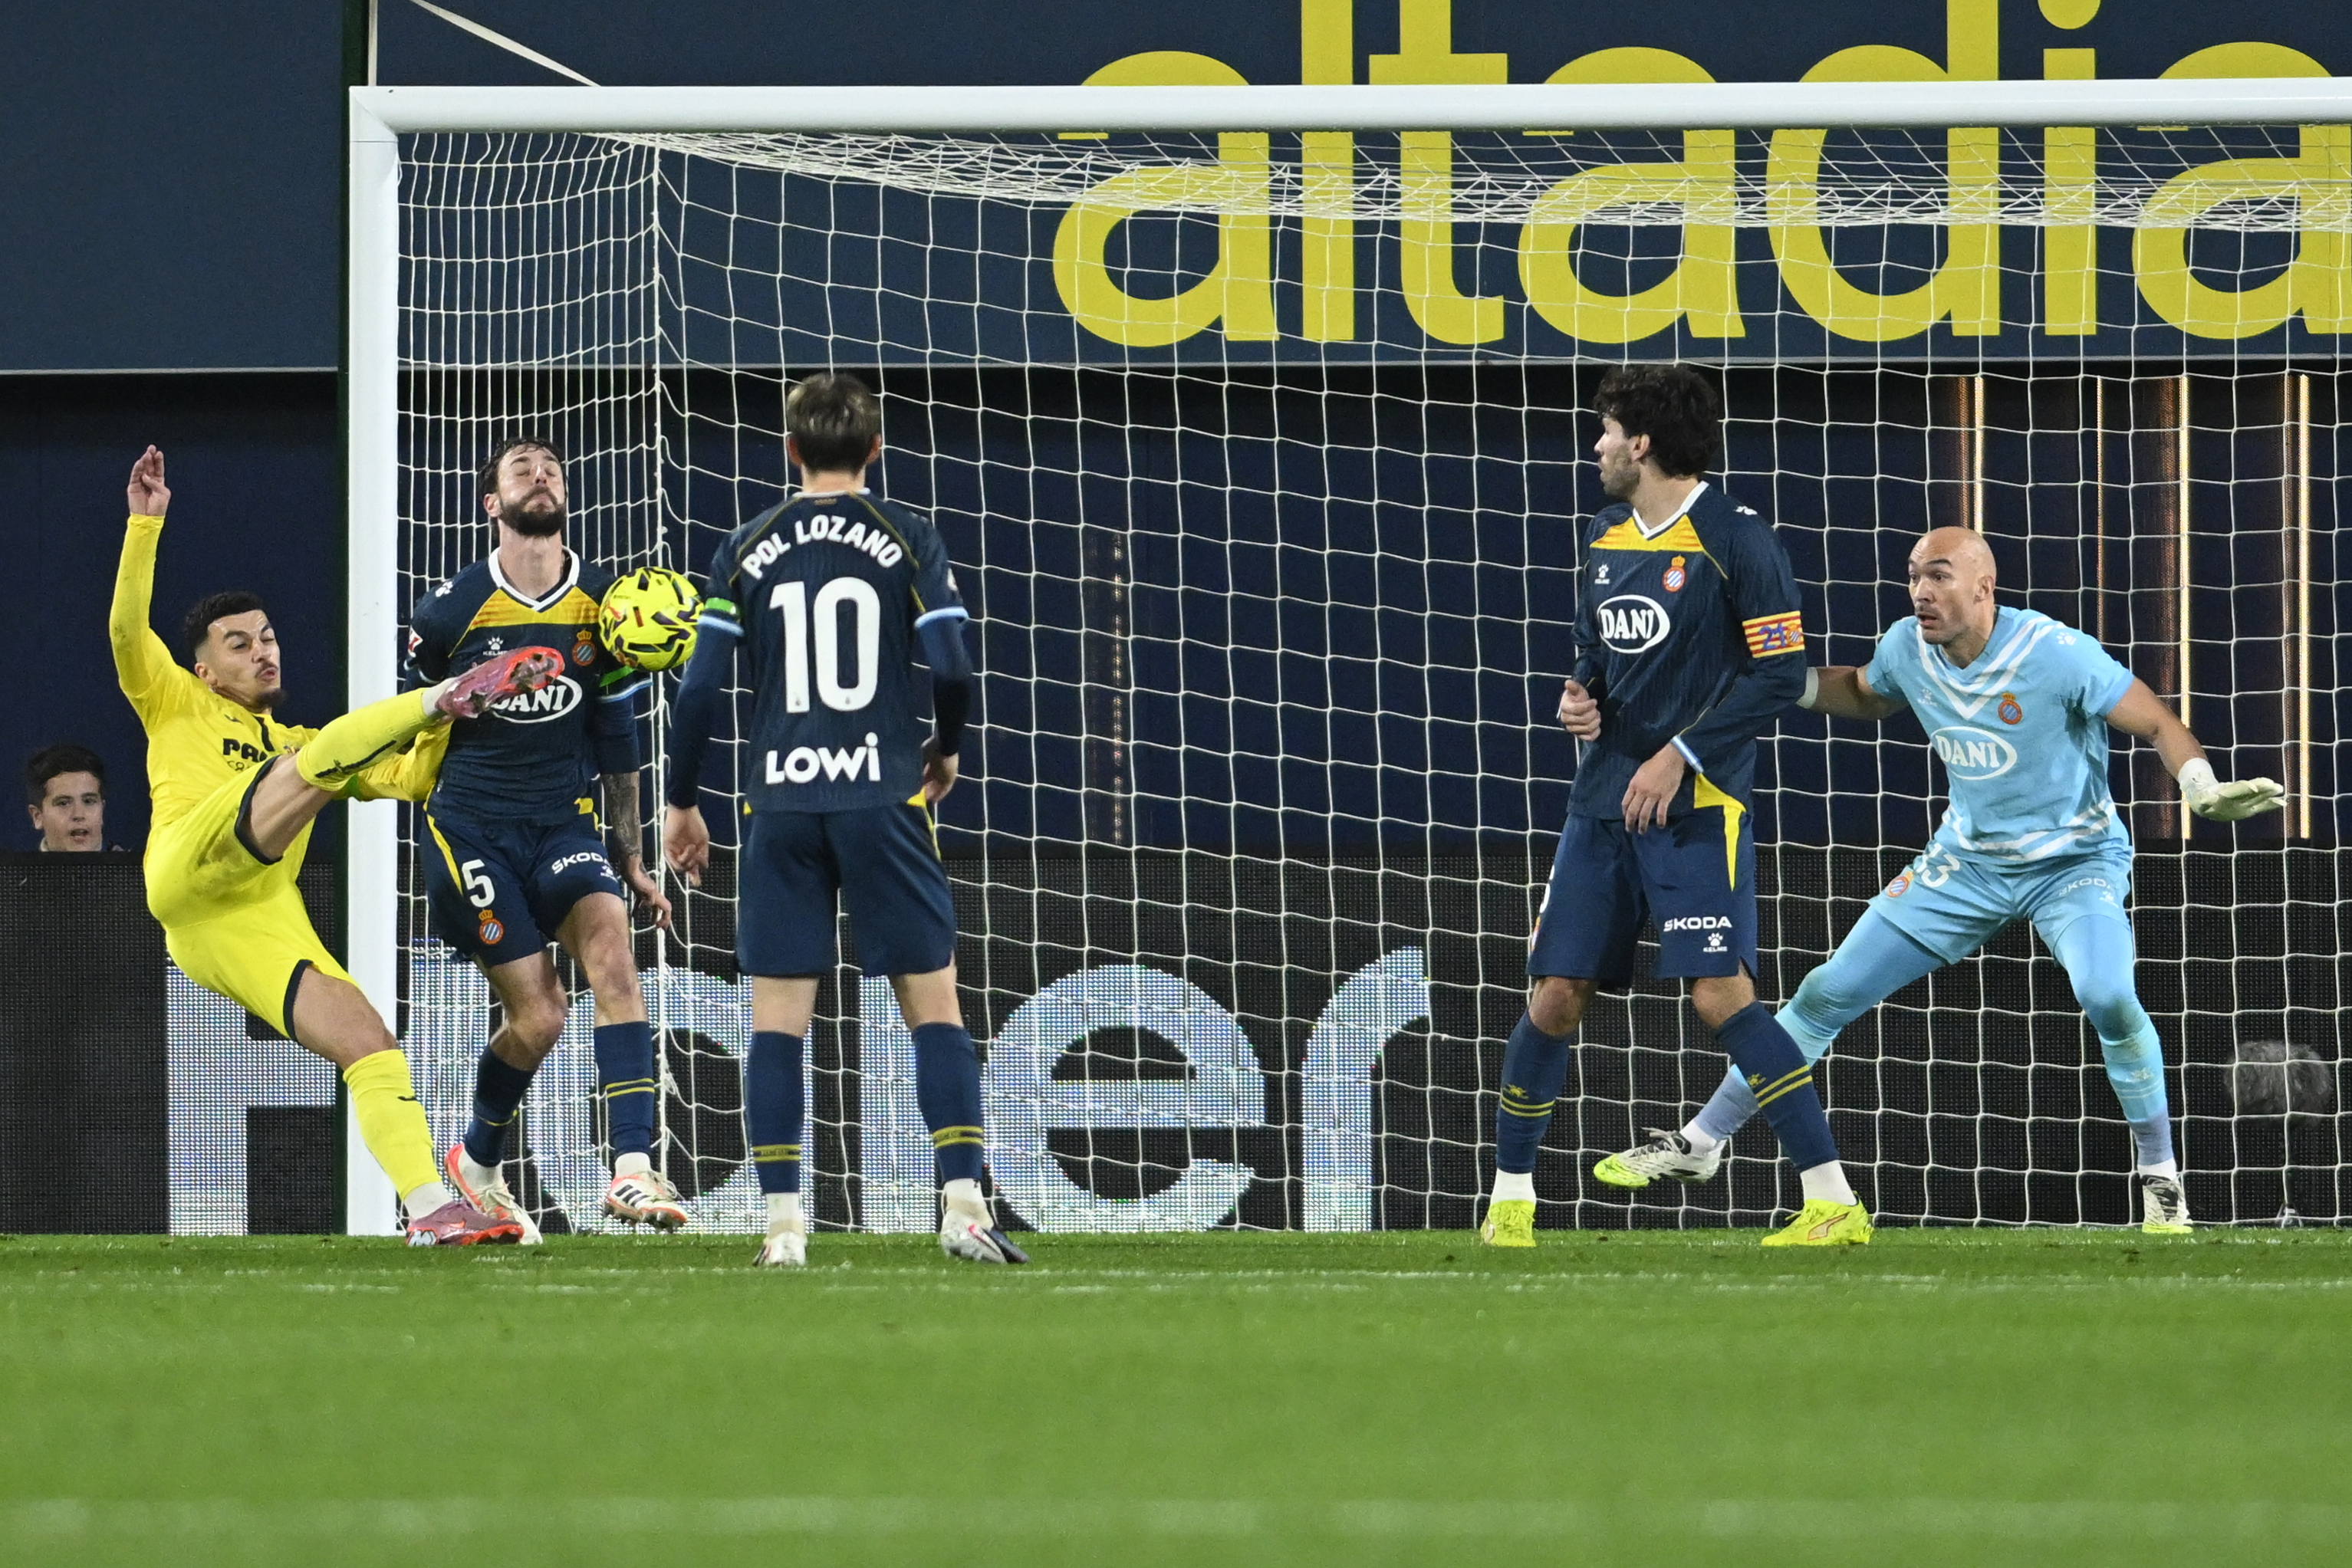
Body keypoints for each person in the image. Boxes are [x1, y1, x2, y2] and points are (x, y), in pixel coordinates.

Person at [1594, 525, 2283, 1234]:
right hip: (1965, 865)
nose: (1921, 590)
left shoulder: (2052, 651)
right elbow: (1865, 693)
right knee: (1825, 990)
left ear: (1984, 587)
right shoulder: (1906, 646)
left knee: (2106, 993)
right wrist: (1780, 683)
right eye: (1914, 575)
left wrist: (2200, 786)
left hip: (2072, 866)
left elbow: (2156, 720)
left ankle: (2160, 1176)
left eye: (1940, 575)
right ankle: (1700, 1142)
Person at [113, 445, 554, 1245]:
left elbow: (405, 778)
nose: (263, 650)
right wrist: (146, 526)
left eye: (268, 636)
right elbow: (122, 629)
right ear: (204, 669)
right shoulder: (173, 698)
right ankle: (441, 691)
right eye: (239, 643)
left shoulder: (301, 738)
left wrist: (454, 729)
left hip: (240, 919)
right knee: (312, 763)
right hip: (186, 864)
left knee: (369, 1040)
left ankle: (430, 1209)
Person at [1480, 365, 1870, 1250]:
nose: (1598, 445)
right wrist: (1579, 699)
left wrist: (1677, 754)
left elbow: (1780, 673)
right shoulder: (1604, 532)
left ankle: (1832, 1198)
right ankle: (1510, 1198)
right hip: (1602, 802)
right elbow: (1594, 655)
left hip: (1699, 804)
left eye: (1608, 429)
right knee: (1555, 995)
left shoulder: (1738, 540)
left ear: (1643, 442)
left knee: (1719, 995)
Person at [663, 372, 1023, 1269]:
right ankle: (963, 1202)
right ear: (874, 449)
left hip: (779, 798)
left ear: (789, 450)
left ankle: (784, 1222)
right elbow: (952, 664)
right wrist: (944, 746)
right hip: (880, 792)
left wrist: (680, 799)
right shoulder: (907, 535)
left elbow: (699, 688)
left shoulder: (746, 545)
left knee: (777, 1020)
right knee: (931, 1004)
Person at [407, 437, 680, 1243]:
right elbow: (407, 726)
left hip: (565, 821)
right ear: (491, 502)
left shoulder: (604, 604)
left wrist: (629, 854)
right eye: (520, 468)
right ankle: (476, 1162)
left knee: (614, 956)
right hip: (473, 830)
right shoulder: (449, 613)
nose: (540, 474)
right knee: (541, 1017)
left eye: (552, 468)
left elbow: (616, 731)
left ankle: (632, 1169)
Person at [25, 745, 116, 852]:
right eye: (64, 803)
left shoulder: (133, 868)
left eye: (88, 801)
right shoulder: (16, 868)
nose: (79, 815)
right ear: (38, 816)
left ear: (102, 810)